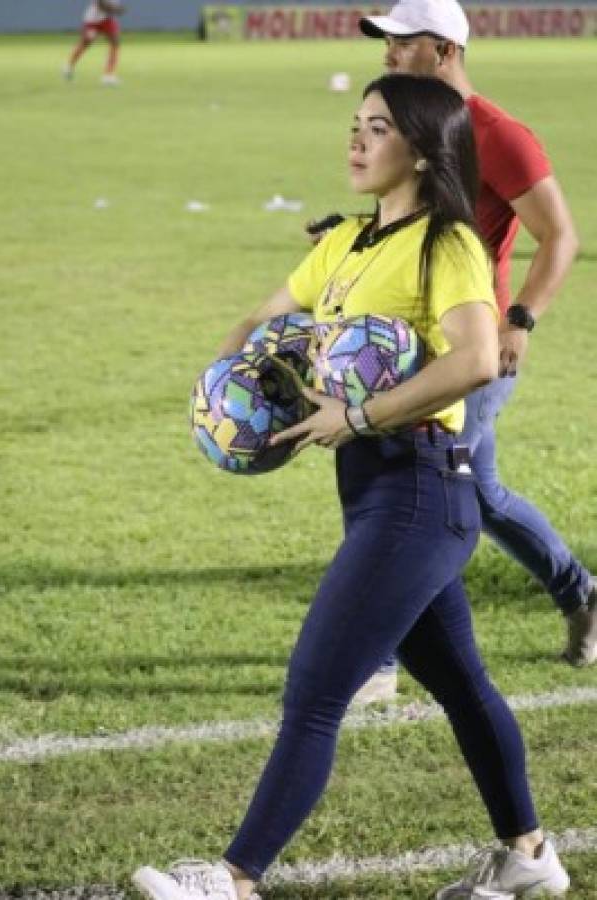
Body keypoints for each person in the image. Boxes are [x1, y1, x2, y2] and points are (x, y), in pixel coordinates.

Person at [131, 74, 570, 900]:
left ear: (421, 147)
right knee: (463, 686)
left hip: (422, 491)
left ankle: (233, 879)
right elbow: (261, 325)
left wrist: (362, 413)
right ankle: (529, 854)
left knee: (316, 690)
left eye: (378, 126)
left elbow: (475, 360)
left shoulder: (448, 244)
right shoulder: (343, 244)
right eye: (354, 123)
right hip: (377, 494)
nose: (356, 140)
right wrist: (231, 392)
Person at [343, 0, 594, 705]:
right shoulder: (409, 128)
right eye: (386, 42)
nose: (388, 53)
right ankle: (580, 592)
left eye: (401, 42)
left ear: (444, 50)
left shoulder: (497, 134)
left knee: (410, 491)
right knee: (477, 496)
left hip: (473, 349)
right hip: (409, 344)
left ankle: (381, 659)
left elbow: (561, 236)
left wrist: (519, 320)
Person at [63, 1, 125, 86]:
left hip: (106, 19)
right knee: (87, 42)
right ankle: (69, 66)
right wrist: (116, 9)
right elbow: (101, 5)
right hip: (92, 20)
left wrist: (118, 9)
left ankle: (108, 75)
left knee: (115, 41)